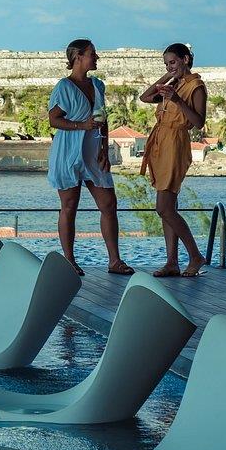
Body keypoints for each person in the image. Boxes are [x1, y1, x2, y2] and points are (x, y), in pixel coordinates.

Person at [46, 39, 133, 277]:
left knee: (109, 204)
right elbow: (54, 119)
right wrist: (81, 125)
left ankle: (115, 261)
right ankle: (69, 261)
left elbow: (103, 119)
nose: (97, 58)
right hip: (68, 150)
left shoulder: (98, 85)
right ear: (78, 57)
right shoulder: (64, 87)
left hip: (94, 151)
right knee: (69, 206)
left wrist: (104, 148)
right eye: (92, 54)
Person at [139, 42, 208, 277]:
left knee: (164, 208)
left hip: (176, 143)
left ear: (185, 59)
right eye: (167, 64)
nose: (170, 67)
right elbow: (145, 97)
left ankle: (195, 256)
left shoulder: (196, 87)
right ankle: (172, 262)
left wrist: (177, 100)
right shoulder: (174, 84)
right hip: (161, 141)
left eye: (173, 62)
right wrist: (167, 77)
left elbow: (199, 122)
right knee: (168, 207)